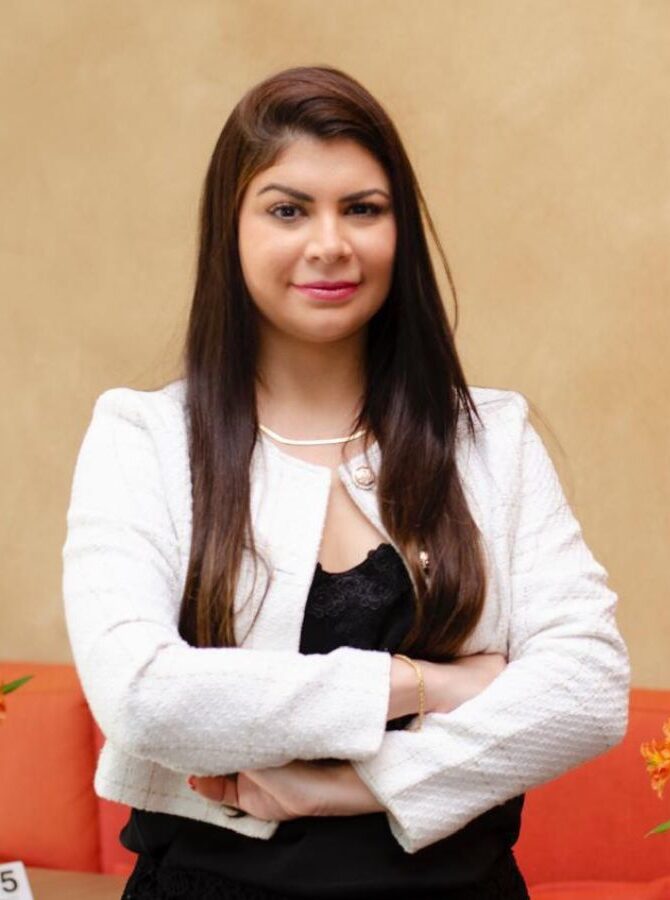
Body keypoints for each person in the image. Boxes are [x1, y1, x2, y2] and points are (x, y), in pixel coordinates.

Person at [62, 64, 630, 899]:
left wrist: (357, 785)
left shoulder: (490, 438)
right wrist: (423, 685)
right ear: (230, 230)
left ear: (400, 231)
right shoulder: (143, 439)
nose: (330, 243)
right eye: (288, 210)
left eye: (362, 209)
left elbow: (589, 689)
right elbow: (143, 697)